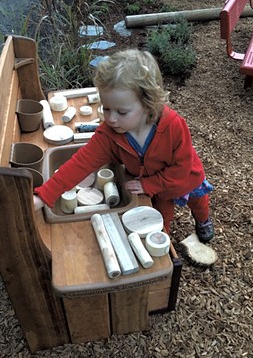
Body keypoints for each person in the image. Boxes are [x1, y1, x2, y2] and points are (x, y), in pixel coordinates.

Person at [34, 49, 214, 242]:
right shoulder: (109, 134)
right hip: (158, 191)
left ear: (147, 104)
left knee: (198, 201)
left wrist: (149, 184)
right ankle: (163, 246)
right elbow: (80, 164)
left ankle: (203, 220)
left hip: (187, 178)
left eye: (121, 111)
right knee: (160, 219)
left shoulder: (173, 125)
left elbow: (182, 168)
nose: (110, 118)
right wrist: (43, 196)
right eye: (106, 108)